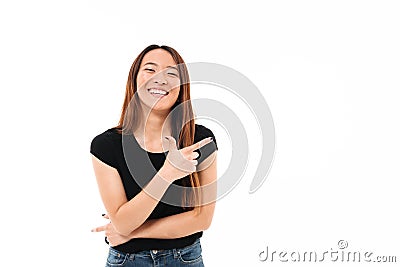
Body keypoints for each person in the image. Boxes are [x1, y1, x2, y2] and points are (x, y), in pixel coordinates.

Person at [90, 44, 218, 266]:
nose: (160, 79)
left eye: (171, 73)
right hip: (127, 260)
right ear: (135, 80)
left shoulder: (201, 140)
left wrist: (133, 234)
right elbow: (122, 222)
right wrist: (166, 174)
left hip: (185, 259)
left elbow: (202, 219)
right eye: (150, 69)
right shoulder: (106, 146)